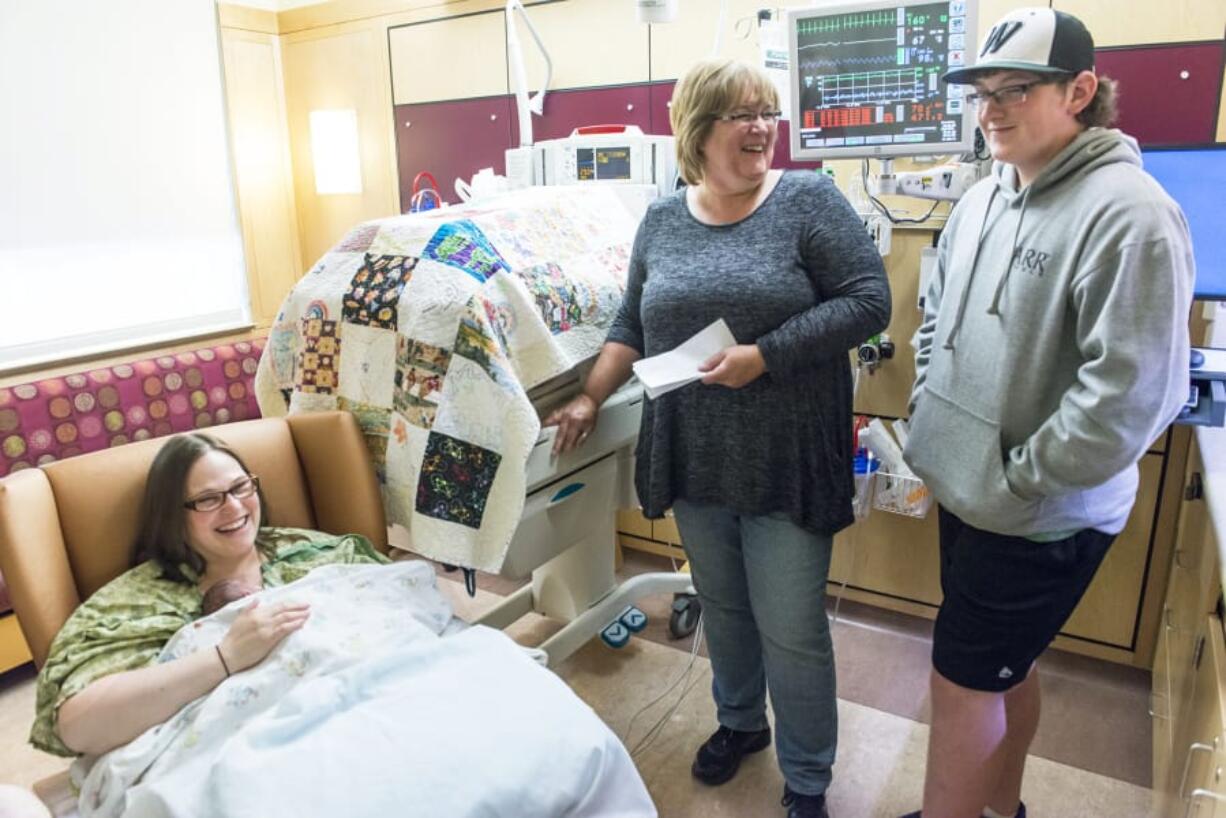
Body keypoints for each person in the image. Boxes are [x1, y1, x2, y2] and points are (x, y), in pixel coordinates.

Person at [546, 58, 891, 818]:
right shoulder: (664, 219)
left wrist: (764, 357)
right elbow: (631, 323)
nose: (762, 126)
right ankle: (741, 723)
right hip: (697, 450)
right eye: (742, 113)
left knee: (792, 626)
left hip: (786, 457)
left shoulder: (806, 201)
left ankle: (807, 776)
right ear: (697, 130)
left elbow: (871, 301)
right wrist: (586, 398)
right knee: (725, 608)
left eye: (768, 111)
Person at [900, 9, 1194, 818]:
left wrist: (1018, 477)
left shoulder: (1129, 214)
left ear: (1081, 91)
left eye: (1016, 90)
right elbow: (935, 320)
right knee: (1006, 669)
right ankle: (1001, 809)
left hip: (1038, 517)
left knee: (959, 686)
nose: (991, 109)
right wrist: (933, 409)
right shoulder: (983, 198)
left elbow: (1131, 398)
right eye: (983, 93)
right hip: (972, 489)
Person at [30, 433, 389, 757]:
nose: (234, 508)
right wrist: (226, 657)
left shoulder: (313, 552)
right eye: (208, 499)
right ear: (172, 516)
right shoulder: (137, 601)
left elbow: (404, 602)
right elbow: (77, 727)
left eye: (240, 488)